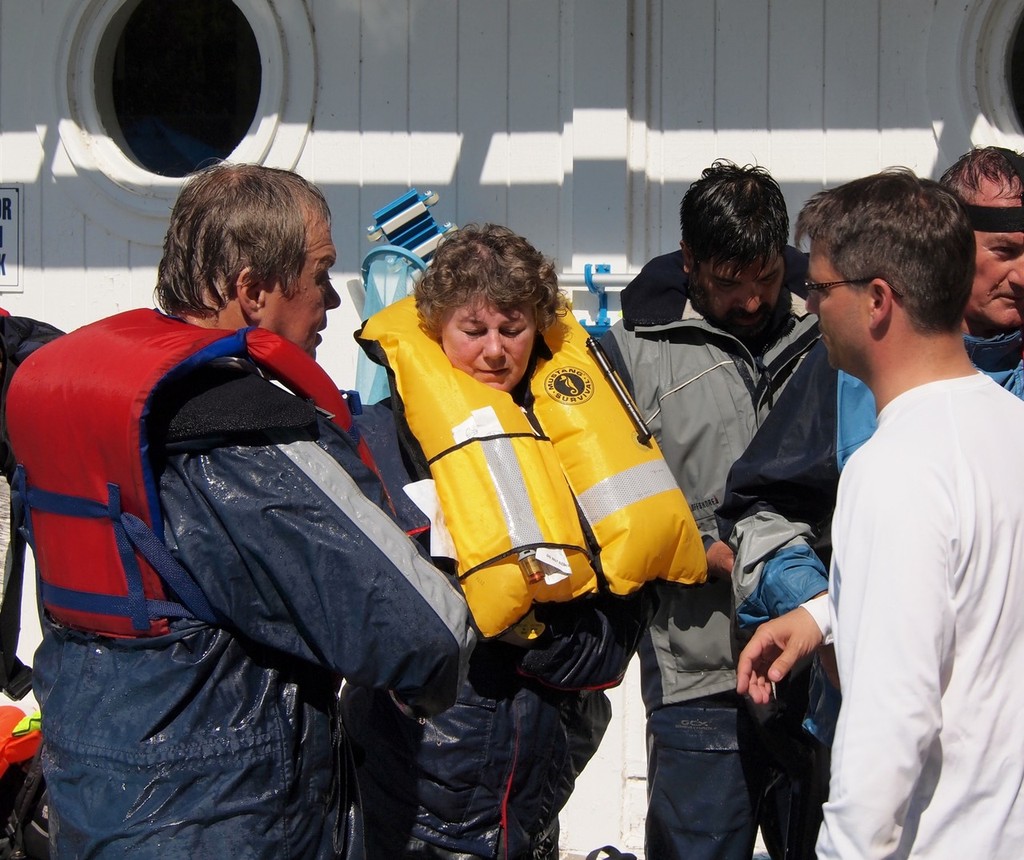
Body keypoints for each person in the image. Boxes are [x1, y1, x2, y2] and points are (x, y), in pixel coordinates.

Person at [6, 162, 474, 859]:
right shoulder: (244, 433)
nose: (331, 304)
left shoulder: (88, 394)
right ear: (253, 291)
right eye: (319, 275)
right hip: (231, 819)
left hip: (91, 801)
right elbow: (423, 634)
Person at [343, 223, 707, 859]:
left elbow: (628, 609)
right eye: (473, 330)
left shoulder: (586, 438)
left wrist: (546, 641)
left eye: (512, 329)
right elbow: (353, 607)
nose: (493, 352)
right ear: (432, 327)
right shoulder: (372, 443)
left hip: (537, 778)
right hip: (412, 790)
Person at [740, 169, 1024, 858]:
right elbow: (976, 586)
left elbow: (891, 716)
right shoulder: (1008, 427)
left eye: (820, 287)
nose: (808, 307)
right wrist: (823, 612)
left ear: (876, 301)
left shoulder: (893, 467)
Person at [599, 161, 820, 860]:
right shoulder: (631, 353)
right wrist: (702, 552)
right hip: (700, 671)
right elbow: (606, 506)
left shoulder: (833, 332)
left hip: (820, 668)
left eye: (766, 278)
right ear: (689, 260)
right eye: (729, 282)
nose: (753, 301)